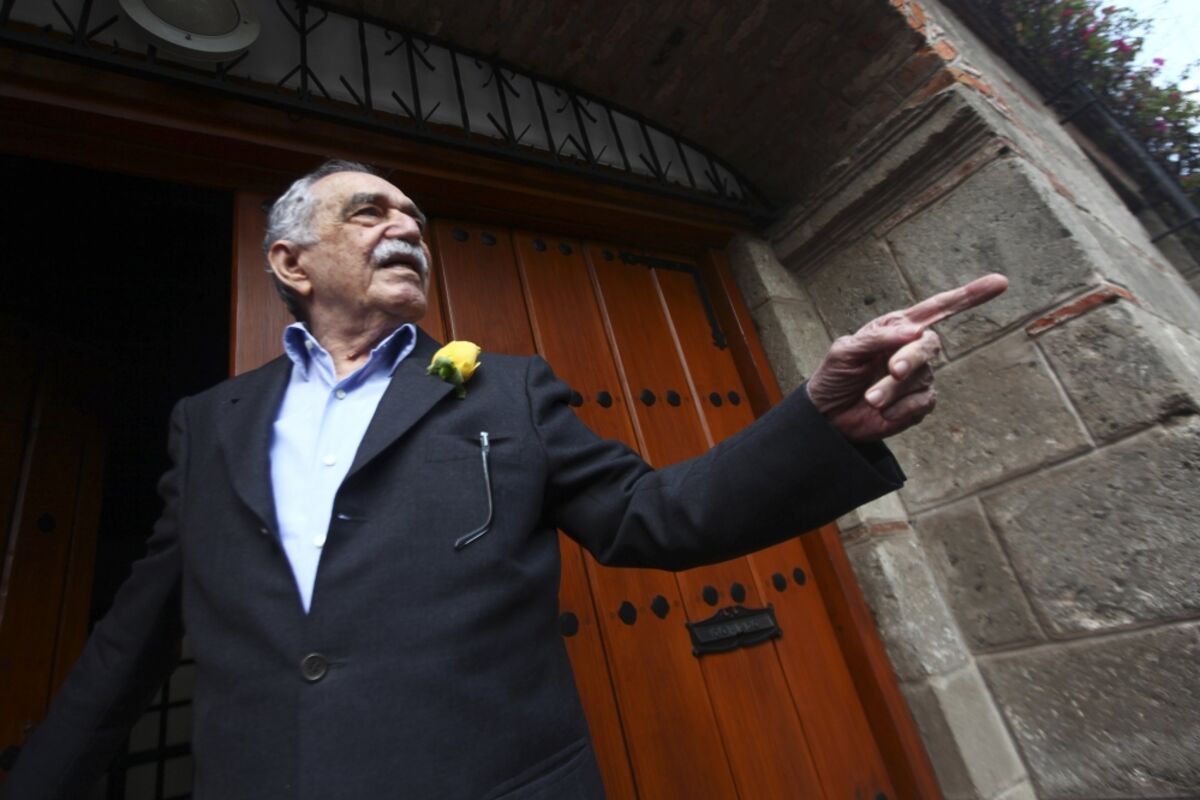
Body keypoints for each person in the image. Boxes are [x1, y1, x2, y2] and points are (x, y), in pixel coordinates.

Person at [3, 160, 1007, 799]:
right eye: (369, 212)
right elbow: (133, 640)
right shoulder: (208, 422)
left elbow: (652, 516)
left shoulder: (507, 390)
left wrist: (818, 420)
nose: (406, 226)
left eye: (414, 216)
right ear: (292, 262)